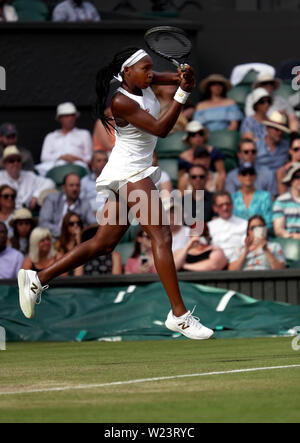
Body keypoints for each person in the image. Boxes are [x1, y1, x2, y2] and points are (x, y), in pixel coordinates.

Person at [18, 46, 213, 340]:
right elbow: (161, 129)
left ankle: (38, 278)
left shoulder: (143, 80)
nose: (151, 73)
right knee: (161, 234)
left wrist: (182, 76)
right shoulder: (121, 101)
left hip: (129, 171)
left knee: (103, 243)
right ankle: (179, 315)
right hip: (130, 173)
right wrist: (183, 93)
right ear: (127, 73)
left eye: (151, 68)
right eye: (145, 69)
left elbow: (166, 77)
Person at [35, 102, 93, 176]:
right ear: (59, 118)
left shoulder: (84, 134)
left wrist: (77, 159)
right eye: (66, 116)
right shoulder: (51, 136)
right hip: (54, 168)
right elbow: (44, 157)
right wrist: (62, 157)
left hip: (77, 167)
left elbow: (89, 157)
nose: (70, 118)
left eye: (72, 115)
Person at [39, 172, 96, 239]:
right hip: (52, 238)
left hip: (75, 241)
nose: (75, 188)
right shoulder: (51, 199)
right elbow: (43, 223)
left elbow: (93, 224)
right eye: (71, 185)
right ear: (63, 188)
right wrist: (65, 232)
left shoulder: (84, 203)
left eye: (77, 185)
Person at [0, 146, 55, 211]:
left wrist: (36, 195)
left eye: (18, 160)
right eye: (12, 161)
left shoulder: (29, 176)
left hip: (26, 216)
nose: (16, 163)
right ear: (5, 164)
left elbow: (50, 183)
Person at [179, 120, 226, 192]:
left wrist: (218, 189)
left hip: (211, 183)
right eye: (193, 134)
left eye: (200, 133)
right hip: (191, 188)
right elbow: (181, 179)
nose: (197, 137)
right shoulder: (183, 157)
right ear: (188, 138)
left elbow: (222, 174)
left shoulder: (214, 152)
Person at [231, 163, 273, 230]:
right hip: (237, 235)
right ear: (239, 177)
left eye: (251, 173)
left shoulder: (265, 196)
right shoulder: (232, 198)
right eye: (244, 173)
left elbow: (268, 222)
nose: (248, 176)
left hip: (259, 235)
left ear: (255, 176)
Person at [208, 191, 248, 261]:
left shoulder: (244, 224)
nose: (225, 208)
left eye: (228, 204)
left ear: (232, 205)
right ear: (215, 208)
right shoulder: (209, 226)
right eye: (221, 205)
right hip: (217, 262)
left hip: (239, 261)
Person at [273, 162, 300, 239]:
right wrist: (292, 236)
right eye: (297, 176)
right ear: (290, 180)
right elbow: (278, 229)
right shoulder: (281, 201)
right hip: (289, 242)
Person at [80, 150, 108, 214]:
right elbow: (80, 202)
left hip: (111, 215)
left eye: (105, 160)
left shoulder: (116, 180)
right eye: (99, 161)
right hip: (90, 216)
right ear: (92, 165)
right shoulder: (84, 181)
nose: (103, 163)